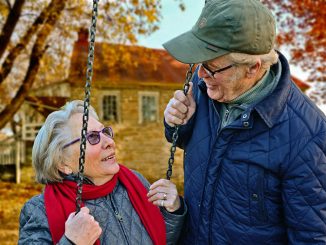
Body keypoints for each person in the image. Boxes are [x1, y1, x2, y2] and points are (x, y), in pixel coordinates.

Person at [163, 0, 326, 244]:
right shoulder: (204, 90)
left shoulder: (307, 137)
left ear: (253, 68)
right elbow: (195, 146)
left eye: (212, 67)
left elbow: (311, 236)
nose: (201, 74)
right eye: (200, 64)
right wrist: (177, 123)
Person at [19, 100, 186, 245]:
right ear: (63, 163)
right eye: (92, 137)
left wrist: (174, 211)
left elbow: (161, 239)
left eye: (105, 132)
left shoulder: (135, 182)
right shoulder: (40, 211)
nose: (109, 142)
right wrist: (71, 242)